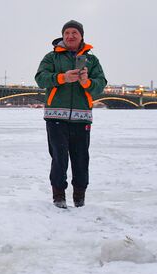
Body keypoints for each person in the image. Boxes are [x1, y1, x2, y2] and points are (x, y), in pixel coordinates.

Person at [35, 20, 107, 208]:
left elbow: (101, 85)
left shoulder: (92, 60)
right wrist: (62, 78)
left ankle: (79, 197)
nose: (70, 36)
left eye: (74, 32)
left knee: (81, 158)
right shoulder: (51, 58)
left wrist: (87, 83)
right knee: (59, 157)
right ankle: (58, 196)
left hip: (82, 118)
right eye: (67, 32)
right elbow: (40, 79)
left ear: (81, 36)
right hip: (55, 117)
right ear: (62, 36)